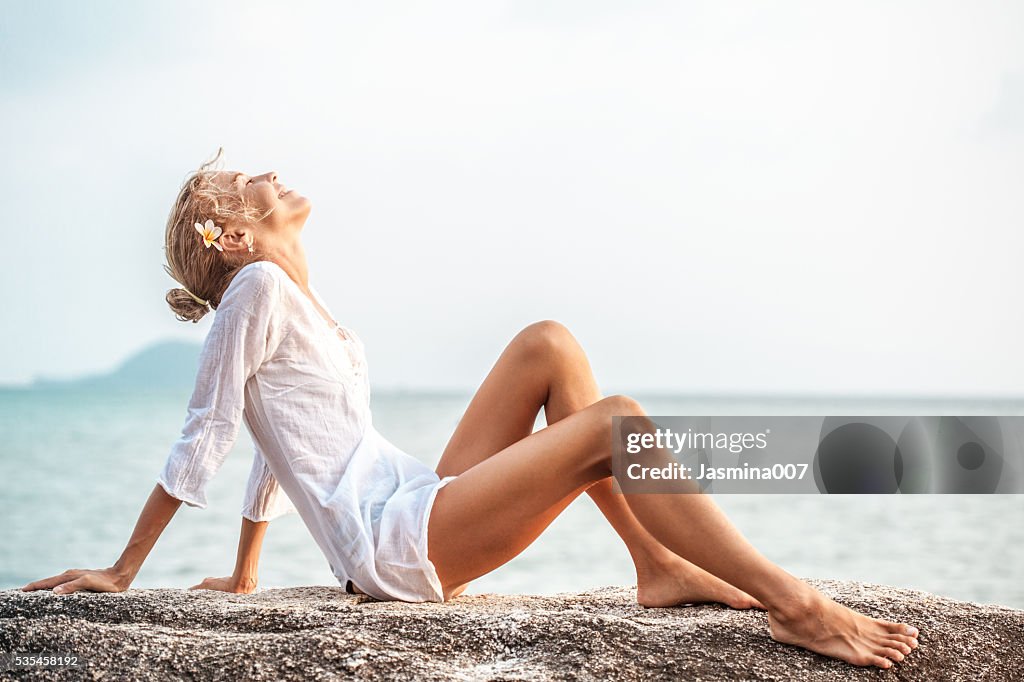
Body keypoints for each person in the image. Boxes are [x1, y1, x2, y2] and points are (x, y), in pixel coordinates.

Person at [23, 152, 919, 670]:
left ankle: (655, 564)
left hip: (411, 500)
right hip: (396, 545)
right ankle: (794, 603)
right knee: (617, 423)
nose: (264, 172)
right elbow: (210, 429)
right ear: (237, 237)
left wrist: (248, 572)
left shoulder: (292, 299)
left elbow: (275, 442)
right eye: (241, 184)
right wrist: (123, 569)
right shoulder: (256, 286)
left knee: (548, 344)